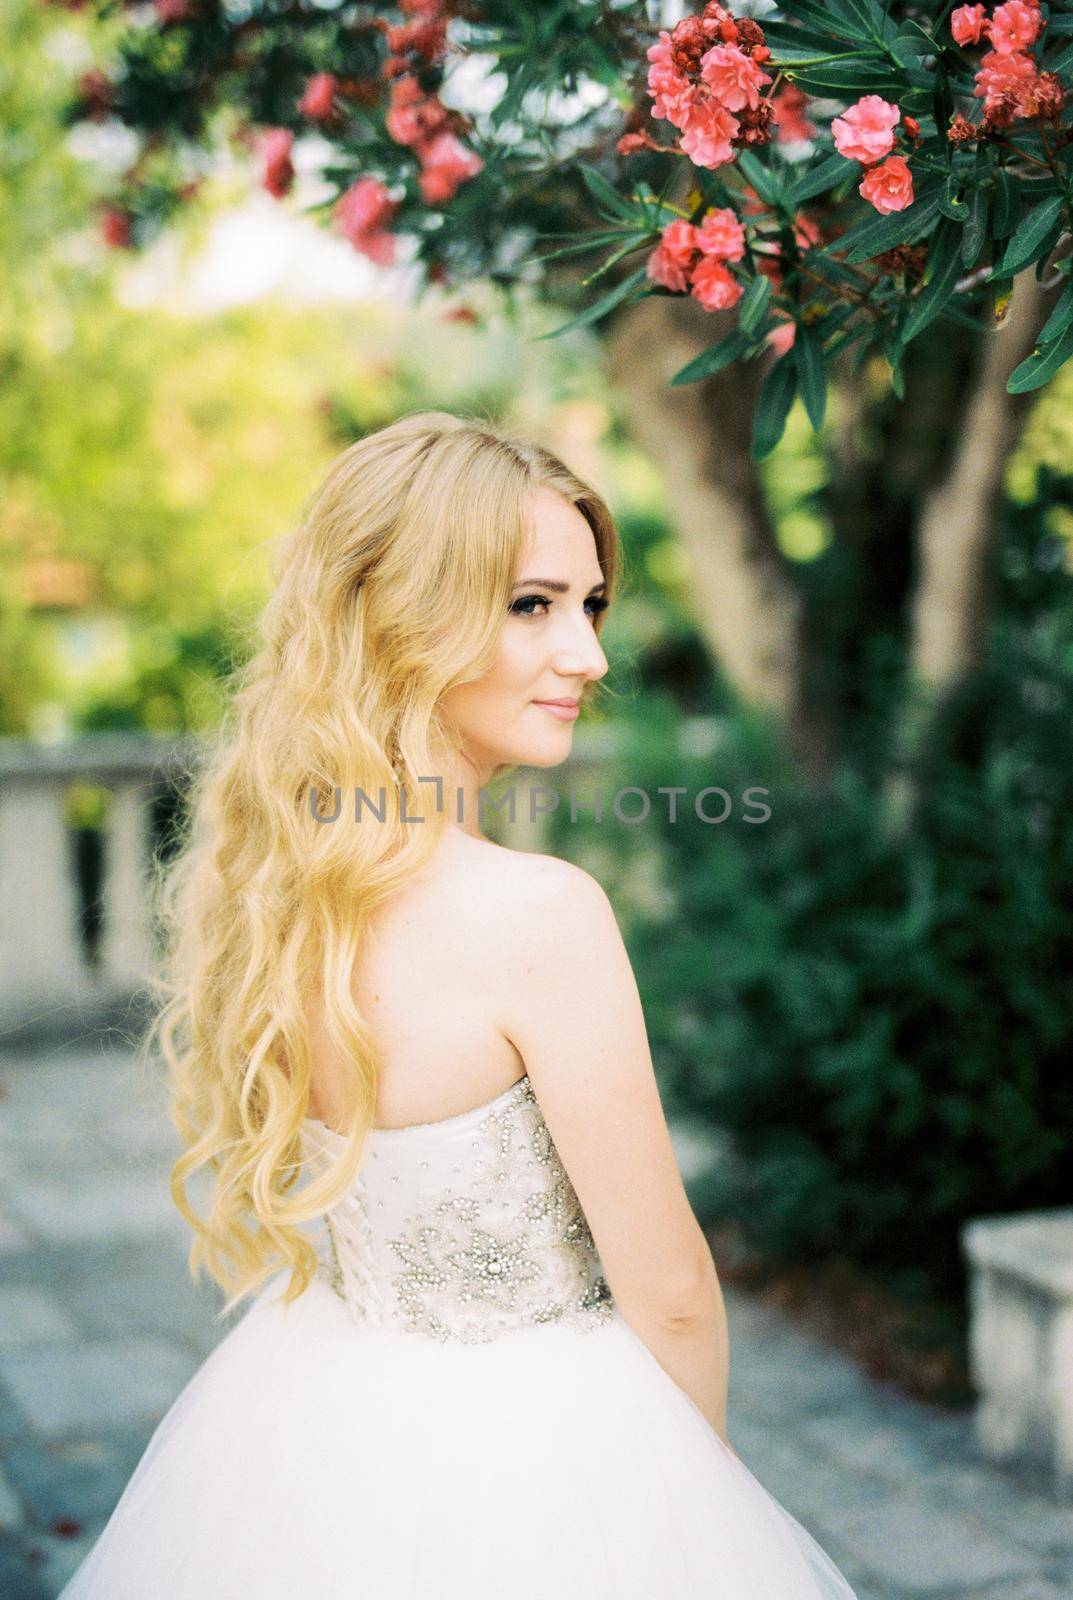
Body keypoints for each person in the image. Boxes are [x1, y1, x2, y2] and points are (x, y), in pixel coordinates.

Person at [60, 411, 858, 1598]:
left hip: (320, 1424)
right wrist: (697, 1517)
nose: (587, 654)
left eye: (588, 606)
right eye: (531, 605)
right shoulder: (538, 914)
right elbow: (673, 1289)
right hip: (543, 1453)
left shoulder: (286, 889)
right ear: (400, 620)